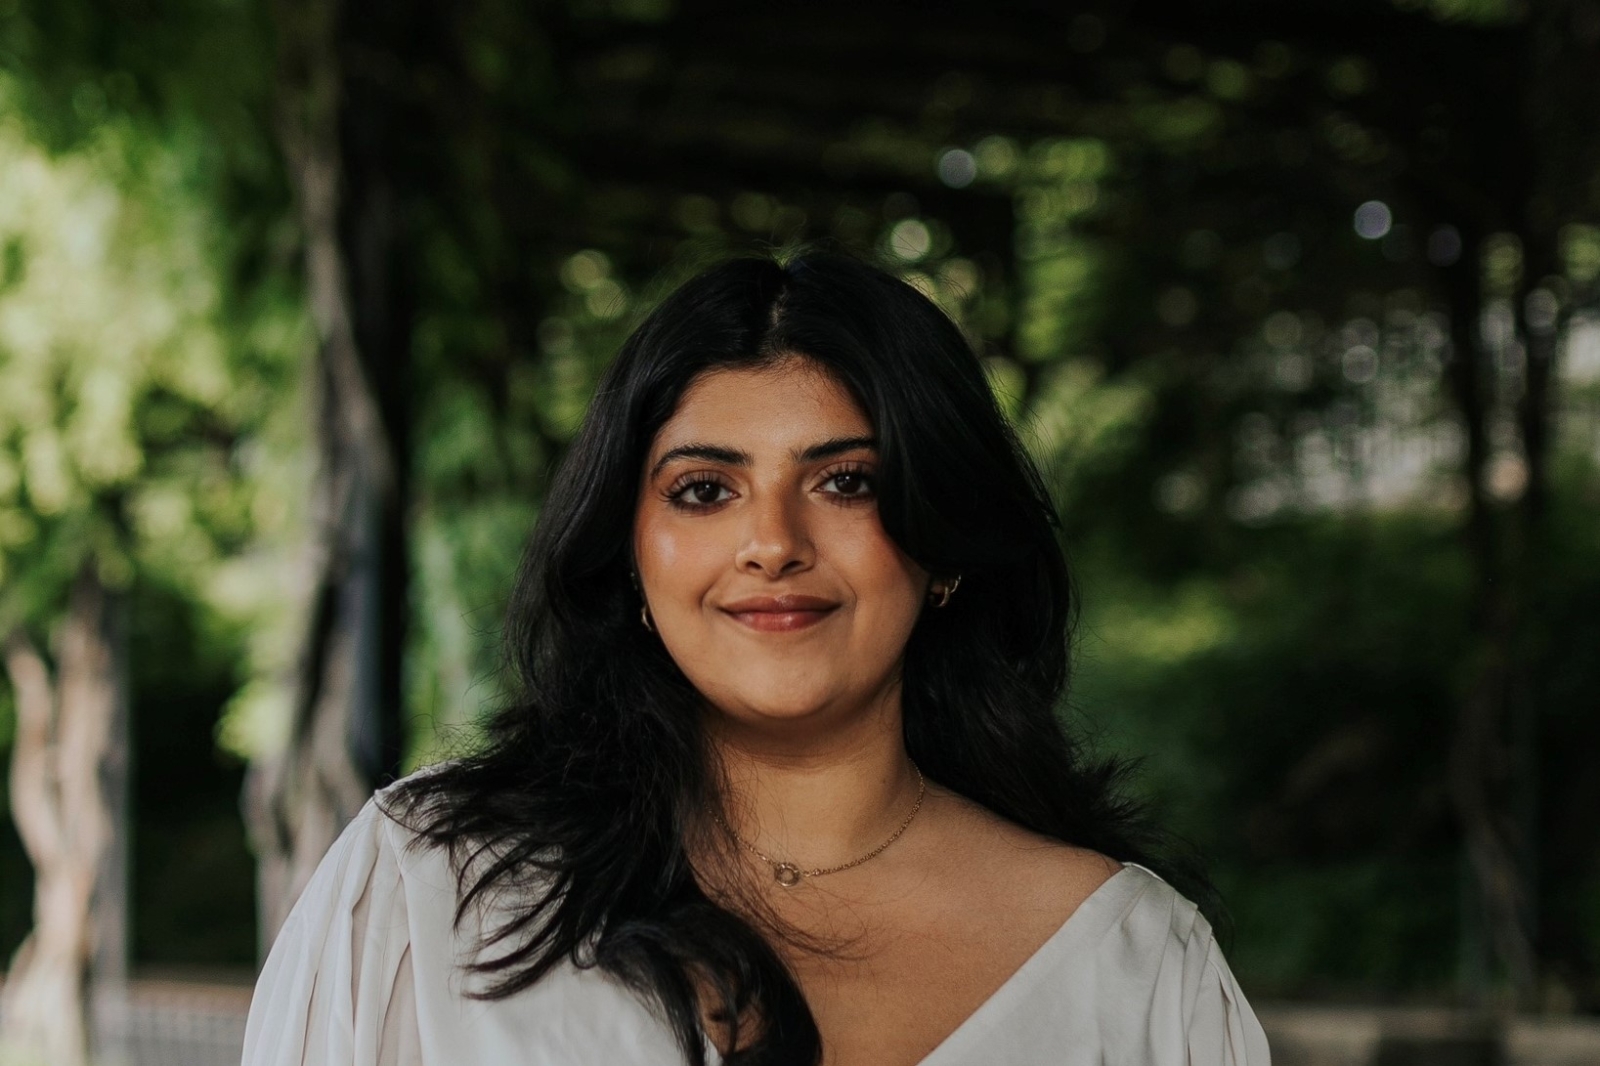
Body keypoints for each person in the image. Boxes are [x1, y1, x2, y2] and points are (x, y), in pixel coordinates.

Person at [241, 252, 1271, 1066]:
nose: (772, 541)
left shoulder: (1130, 965)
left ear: (943, 543)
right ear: (629, 549)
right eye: (703, 489)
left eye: (846, 482)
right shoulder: (428, 894)